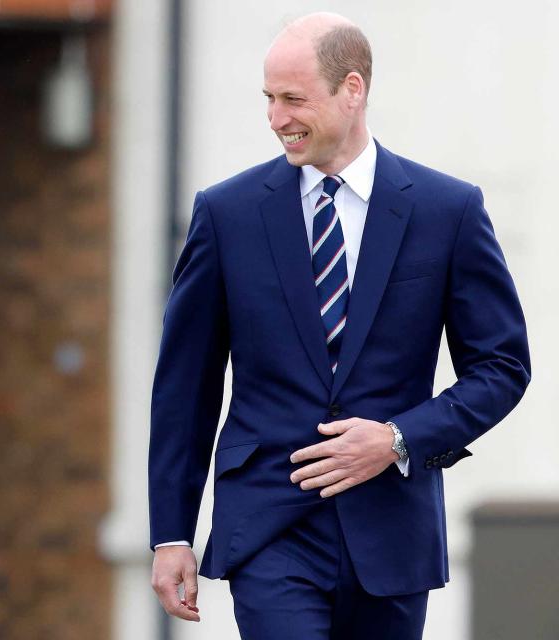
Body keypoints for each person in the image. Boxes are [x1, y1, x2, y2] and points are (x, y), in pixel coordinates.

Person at [148, 13, 530, 639]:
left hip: (391, 533)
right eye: (268, 99)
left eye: (292, 99)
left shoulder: (448, 211)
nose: (275, 118)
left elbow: (503, 367)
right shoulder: (226, 214)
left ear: (352, 89)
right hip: (270, 525)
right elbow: (184, 385)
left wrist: (398, 437)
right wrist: (171, 533)